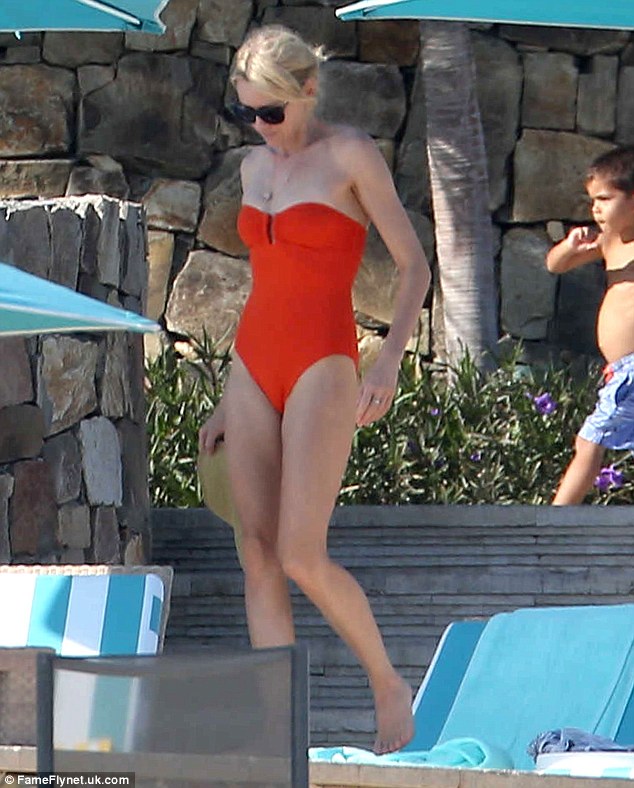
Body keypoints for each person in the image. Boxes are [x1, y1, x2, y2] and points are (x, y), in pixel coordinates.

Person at [198, 24, 431, 753]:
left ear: (308, 89)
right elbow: (264, 282)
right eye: (246, 112)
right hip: (252, 361)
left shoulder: (350, 154)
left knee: (301, 552)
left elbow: (414, 266)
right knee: (257, 553)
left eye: (271, 111)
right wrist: (225, 400)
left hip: (323, 362)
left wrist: (388, 361)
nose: (260, 126)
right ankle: (279, 729)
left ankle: (387, 683)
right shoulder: (252, 167)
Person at [547, 146, 634, 504]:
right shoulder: (610, 241)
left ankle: (554, 521)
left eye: (605, 199)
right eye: (592, 200)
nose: (595, 209)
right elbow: (555, 265)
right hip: (621, 369)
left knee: (590, 441)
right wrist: (570, 247)